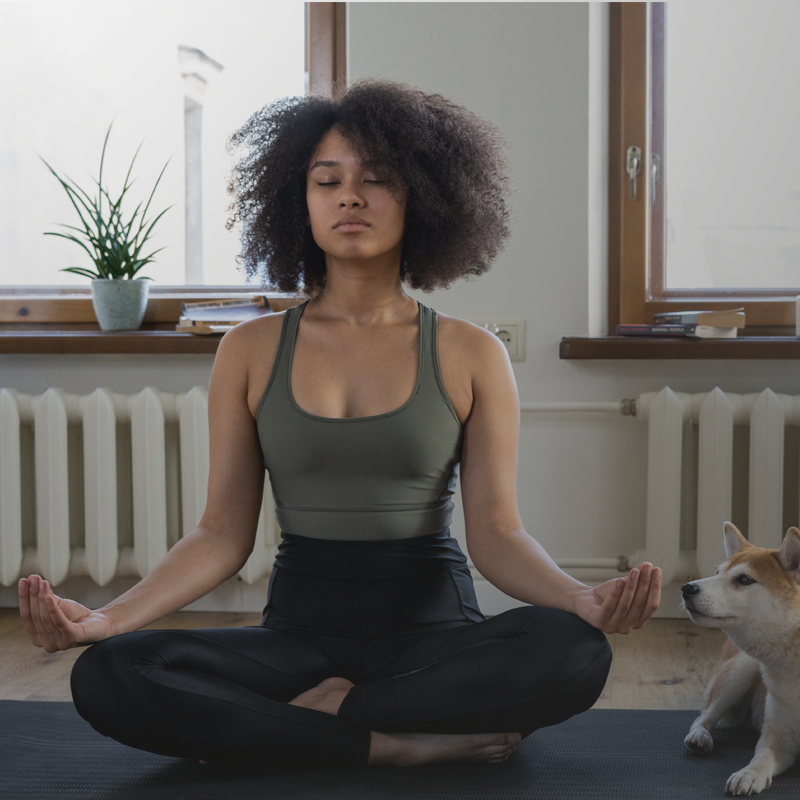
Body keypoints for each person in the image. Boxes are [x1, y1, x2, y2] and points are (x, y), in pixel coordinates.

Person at [18, 80, 662, 771]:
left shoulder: (471, 351)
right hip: (299, 640)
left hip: (432, 636)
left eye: (376, 180)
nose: (349, 196)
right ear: (299, 202)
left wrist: (578, 599)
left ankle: (322, 721)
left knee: (573, 654)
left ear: (423, 198)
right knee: (111, 674)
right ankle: (390, 742)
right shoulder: (250, 349)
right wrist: (110, 619)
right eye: (328, 181)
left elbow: (498, 534)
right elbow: (220, 535)